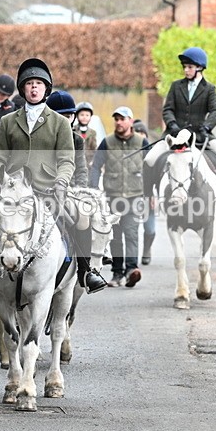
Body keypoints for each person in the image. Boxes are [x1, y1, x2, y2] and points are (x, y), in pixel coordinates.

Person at [0, 58, 75, 293]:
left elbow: (66, 160)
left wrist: (61, 183)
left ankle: (87, 270)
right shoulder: (8, 121)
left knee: (80, 217)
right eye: (29, 83)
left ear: (46, 89)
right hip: (11, 189)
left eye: (38, 84)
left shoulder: (60, 123)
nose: (33, 88)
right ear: (22, 88)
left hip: (48, 187)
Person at [145, 47, 216, 214]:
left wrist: (206, 126)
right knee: (149, 159)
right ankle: (148, 198)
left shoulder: (209, 89)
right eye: (184, 67)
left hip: (200, 136)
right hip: (174, 135)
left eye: (190, 67)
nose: (186, 70)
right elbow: (168, 109)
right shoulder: (176, 86)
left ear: (199, 68)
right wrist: (172, 125)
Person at [46, 91, 108, 293]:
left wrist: (80, 191)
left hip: (68, 191)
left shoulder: (76, 139)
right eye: (62, 116)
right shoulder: (41, 136)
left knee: (83, 216)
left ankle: (85, 271)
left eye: (69, 116)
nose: (67, 120)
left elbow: (81, 168)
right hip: (40, 190)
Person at [89, 106, 148, 288]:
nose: (119, 122)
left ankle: (131, 270)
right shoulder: (107, 142)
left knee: (131, 233)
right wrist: (93, 188)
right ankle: (116, 273)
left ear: (131, 121)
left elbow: (151, 168)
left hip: (134, 195)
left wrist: (151, 192)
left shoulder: (142, 142)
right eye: (116, 119)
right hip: (113, 196)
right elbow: (96, 166)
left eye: (122, 119)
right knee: (115, 236)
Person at [132, 119, 156, 265]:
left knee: (150, 230)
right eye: (137, 133)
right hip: (129, 197)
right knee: (131, 231)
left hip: (148, 196)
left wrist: (153, 195)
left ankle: (147, 249)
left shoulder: (152, 157)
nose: (141, 137)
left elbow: (156, 178)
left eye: (143, 134)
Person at [74, 101, 99, 168]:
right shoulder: (73, 130)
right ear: (77, 116)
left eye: (87, 115)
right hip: (75, 163)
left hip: (88, 164)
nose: (84, 117)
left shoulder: (92, 133)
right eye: (82, 115)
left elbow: (94, 148)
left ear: (90, 117)